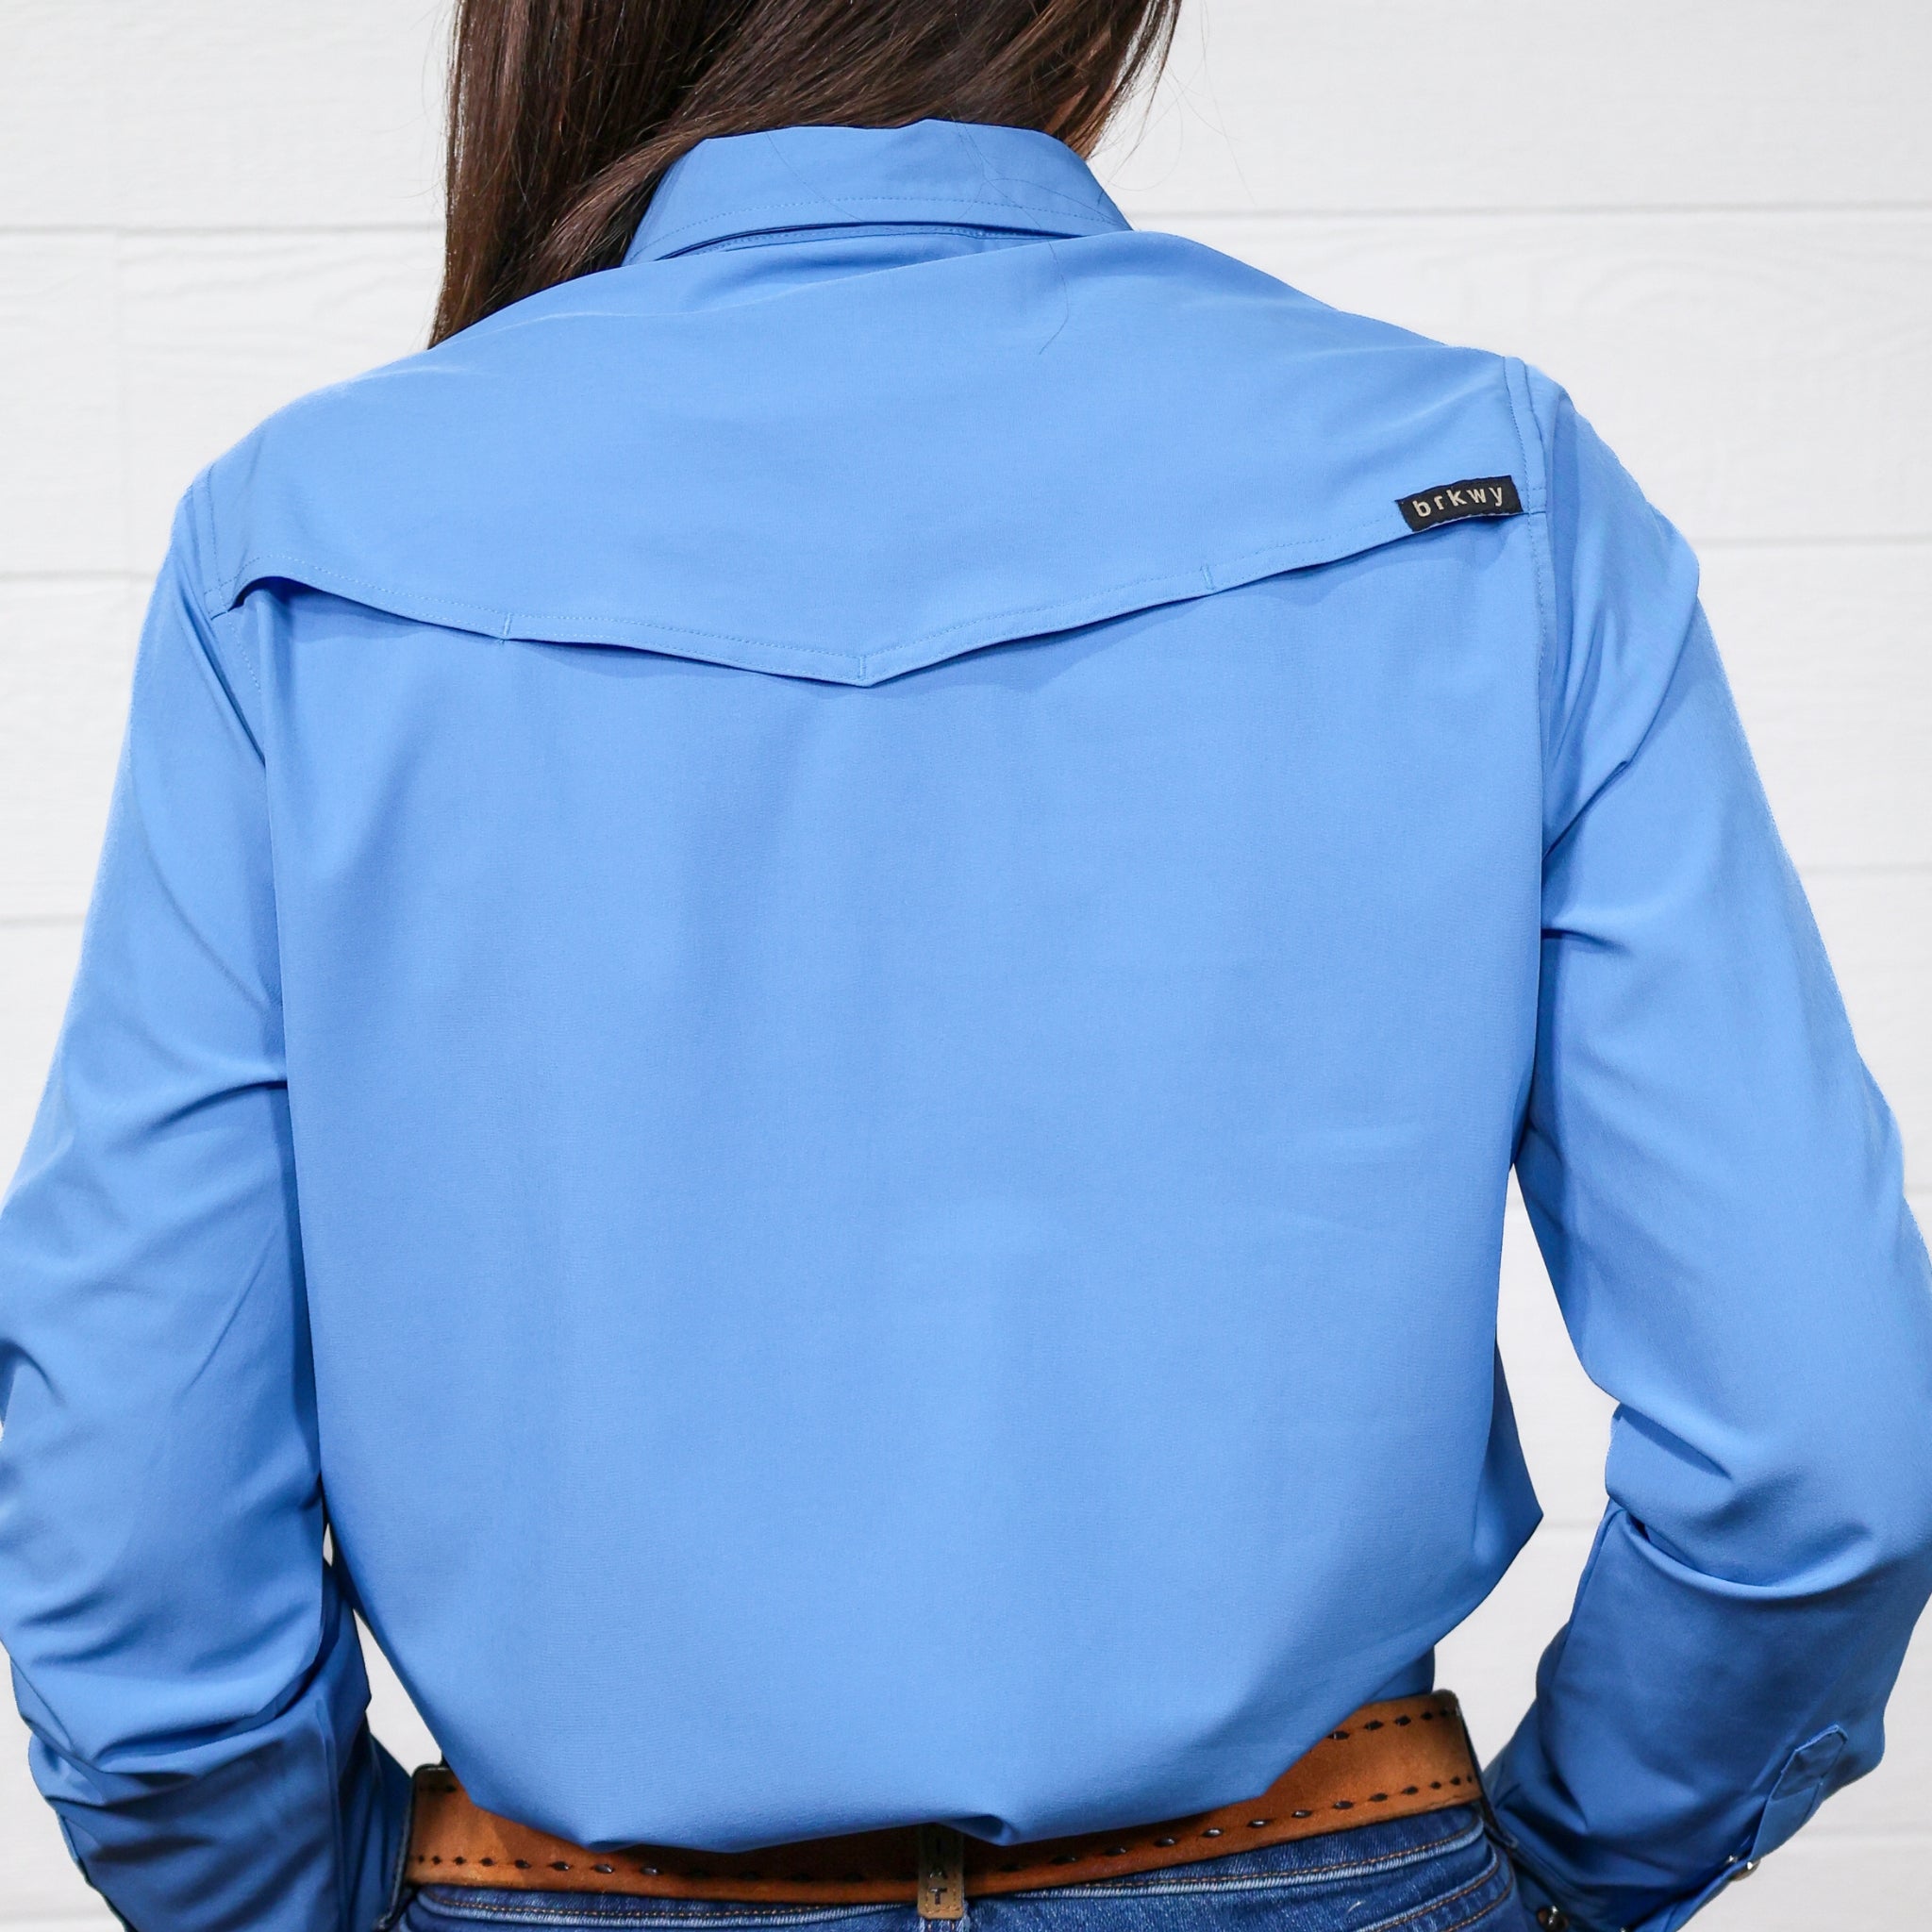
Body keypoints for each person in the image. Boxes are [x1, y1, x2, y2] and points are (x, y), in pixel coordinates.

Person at [1, 3, 1929, 1929]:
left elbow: (133, 1497)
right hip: (1330, 1867)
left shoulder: (302, 543)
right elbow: (1818, 1436)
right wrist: (1572, 1876)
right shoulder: (1486, 489)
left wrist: (304, 1901)